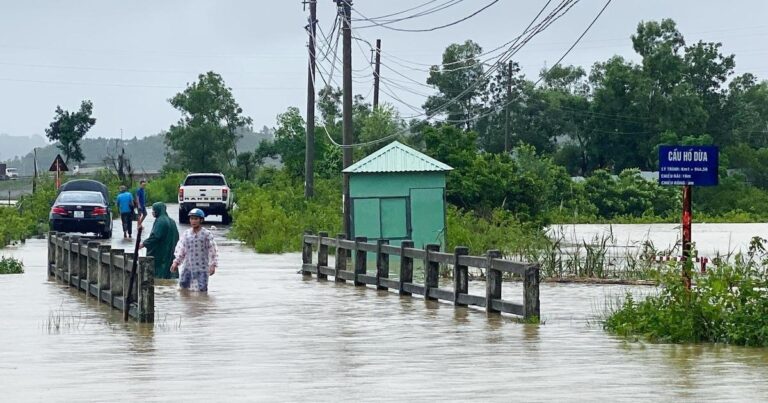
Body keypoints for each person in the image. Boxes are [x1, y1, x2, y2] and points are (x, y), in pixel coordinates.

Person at [170, 208, 218, 292]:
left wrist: (213, 265)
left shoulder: (206, 234)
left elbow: (213, 250)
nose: (193, 221)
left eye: (196, 219)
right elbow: (181, 249)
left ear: (201, 220)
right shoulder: (186, 234)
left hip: (202, 268)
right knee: (183, 289)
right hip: (188, 267)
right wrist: (176, 262)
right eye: (192, 219)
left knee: (202, 290)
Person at [139, 202, 180, 279]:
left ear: (158, 210)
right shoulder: (172, 221)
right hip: (171, 250)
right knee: (169, 272)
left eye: (154, 210)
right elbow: (177, 237)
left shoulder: (160, 221)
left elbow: (155, 237)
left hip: (160, 252)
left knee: (159, 273)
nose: (153, 212)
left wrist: (143, 244)